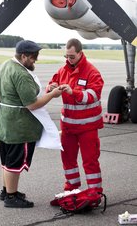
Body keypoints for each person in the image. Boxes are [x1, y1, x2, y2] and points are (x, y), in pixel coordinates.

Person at [0, 39, 62, 209]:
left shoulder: (5, 65)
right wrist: (53, 94)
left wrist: (6, 110)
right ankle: (11, 197)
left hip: (4, 121)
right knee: (14, 162)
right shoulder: (21, 74)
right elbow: (32, 104)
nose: (35, 60)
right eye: (33, 57)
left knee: (6, 160)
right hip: (18, 126)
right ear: (23, 56)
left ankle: (7, 191)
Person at [46, 38, 104, 194]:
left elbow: (93, 95)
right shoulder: (62, 70)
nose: (68, 59)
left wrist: (74, 92)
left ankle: (94, 192)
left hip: (87, 128)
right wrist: (52, 87)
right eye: (66, 56)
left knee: (90, 161)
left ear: (80, 53)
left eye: (71, 56)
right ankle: (72, 189)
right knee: (68, 160)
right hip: (68, 127)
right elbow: (51, 85)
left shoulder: (92, 72)